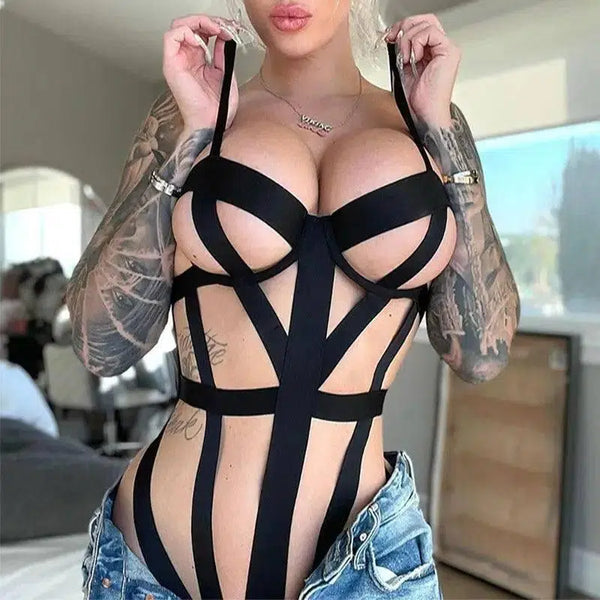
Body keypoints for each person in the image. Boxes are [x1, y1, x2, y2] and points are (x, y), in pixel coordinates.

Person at [68, 2, 520, 599]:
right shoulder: (187, 112)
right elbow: (101, 348)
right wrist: (189, 137)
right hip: (156, 566)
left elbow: (482, 356)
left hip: (365, 574)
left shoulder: (430, 126)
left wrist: (442, 137)